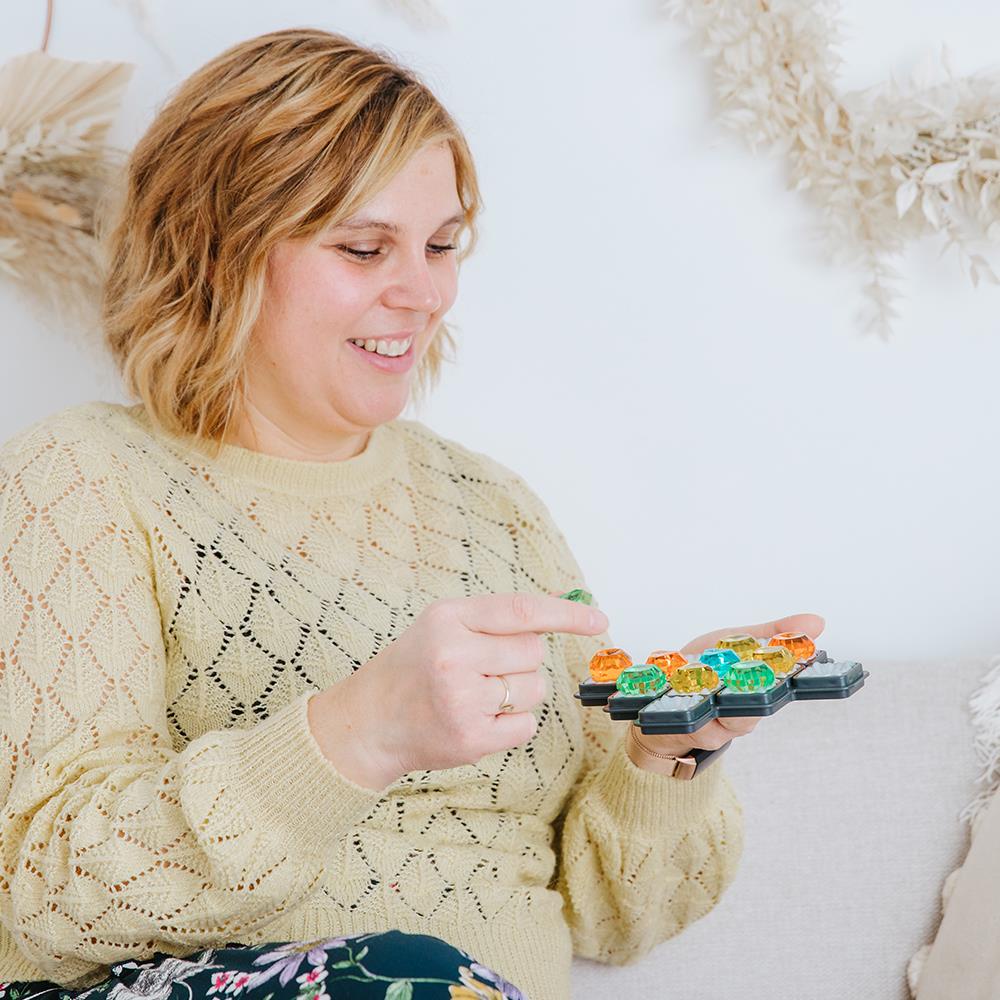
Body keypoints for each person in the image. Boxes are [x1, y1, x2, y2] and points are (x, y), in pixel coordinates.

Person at [0, 28, 822, 1000]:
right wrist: (357, 733)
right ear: (216, 251)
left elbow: (614, 921)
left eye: (441, 246)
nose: (425, 293)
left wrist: (659, 756)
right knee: (411, 974)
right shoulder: (83, 476)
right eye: (364, 248)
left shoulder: (492, 508)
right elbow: (46, 894)